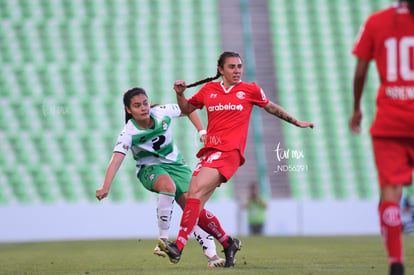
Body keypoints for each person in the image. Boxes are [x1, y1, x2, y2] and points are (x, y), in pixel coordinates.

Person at [158, 51, 314, 267]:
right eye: (231, 67)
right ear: (221, 70)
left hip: (229, 153)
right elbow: (187, 109)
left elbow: (271, 107)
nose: (237, 70)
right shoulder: (209, 90)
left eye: (239, 66)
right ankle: (228, 243)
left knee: (193, 192)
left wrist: (296, 122)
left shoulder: (250, 90)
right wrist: (179, 94)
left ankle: (179, 246)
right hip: (209, 151)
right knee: (195, 209)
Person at [95, 87, 225, 268]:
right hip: (149, 169)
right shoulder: (129, 133)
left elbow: (188, 108)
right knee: (168, 186)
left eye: (145, 103)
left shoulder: (162, 112)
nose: (143, 108)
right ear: (128, 110)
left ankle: (212, 255)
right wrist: (105, 186)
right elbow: (116, 160)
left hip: (177, 165)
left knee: (192, 208)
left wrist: (202, 131)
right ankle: (163, 240)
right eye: (137, 105)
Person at [350, 1, 414, 274]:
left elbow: (361, 71)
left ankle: (395, 261)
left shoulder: (376, 22)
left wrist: (356, 108)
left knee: (390, 191)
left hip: (390, 121)